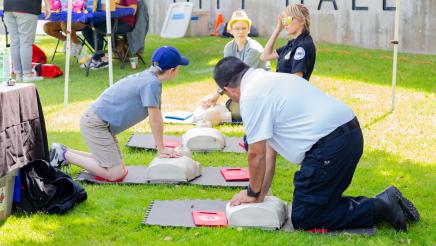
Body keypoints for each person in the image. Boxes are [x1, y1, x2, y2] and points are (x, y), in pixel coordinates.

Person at [214, 57, 420, 231]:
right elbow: (269, 152)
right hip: (348, 134)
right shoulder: (268, 80)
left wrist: (251, 193)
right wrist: (259, 195)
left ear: (228, 90)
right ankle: (384, 202)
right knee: (313, 205)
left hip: (330, 146)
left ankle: (381, 206)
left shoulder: (251, 96)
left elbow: (256, 155)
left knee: (305, 217)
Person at [49, 46, 189, 181]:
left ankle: (61, 150)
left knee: (118, 166)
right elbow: (155, 120)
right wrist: (161, 148)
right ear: (171, 71)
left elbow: (155, 118)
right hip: (96, 124)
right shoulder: (152, 84)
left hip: (99, 123)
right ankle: (64, 155)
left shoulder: (149, 77)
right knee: (116, 173)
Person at [201, 10, 270, 122]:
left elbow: (241, 76)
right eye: (237, 28)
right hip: (243, 87)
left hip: (259, 89)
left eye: (244, 28)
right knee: (227, 111)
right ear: (231, 30)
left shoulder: (254, 49)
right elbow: (226, 73)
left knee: (237, 114)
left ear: (248, 29)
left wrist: (216, 95)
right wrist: (216, 95)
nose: (240, 32)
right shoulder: (229, 47)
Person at [261, 3, 316, 81]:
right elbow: (265, 56)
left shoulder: (303, 46)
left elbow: (296, 80)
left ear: (302, 21)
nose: (285, 23)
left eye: (288, 19)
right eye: (284, 20)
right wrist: (278, 29)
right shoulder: (293, 44)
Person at [3, 0, 50, 82]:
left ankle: (19, 75)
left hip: (8, 6)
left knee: (15, 42)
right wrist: (47, 5)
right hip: (27, 6)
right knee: (26, 42)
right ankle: (27, 75)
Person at [81, 0, 138, 67]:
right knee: (86, 30)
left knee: (98, 30)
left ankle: (96, 59)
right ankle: (102, 57)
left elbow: (133, 10)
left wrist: (115, 6)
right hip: (111, 20)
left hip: (126, 24)